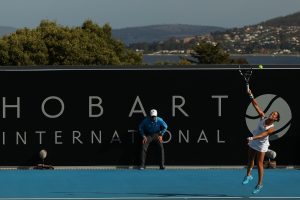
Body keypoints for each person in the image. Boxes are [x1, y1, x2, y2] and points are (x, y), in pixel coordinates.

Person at [242, 88, 280, 194]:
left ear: (276, 119)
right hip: (254, 141)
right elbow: (256, 105)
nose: (272, 114)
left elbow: (263, 134)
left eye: (275, 115)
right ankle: (249, 175)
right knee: (250, 160)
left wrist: (252, 138)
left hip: (262, 144)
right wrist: (251, 95)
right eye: (272, 113)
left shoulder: (272, 128)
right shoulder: (263, 116)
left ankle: (259, 184)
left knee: (259, 164)